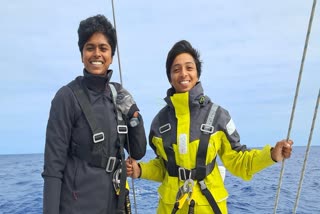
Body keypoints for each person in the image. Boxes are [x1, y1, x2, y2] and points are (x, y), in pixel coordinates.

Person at [126, 40, 293, 214]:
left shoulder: (218, 116)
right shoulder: (159, 122)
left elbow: (239, 161)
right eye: (176, 69)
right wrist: (140, 170)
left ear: (197, 73)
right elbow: (164, 168)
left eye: (189, 68)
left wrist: (271, 155)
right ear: (170, 76)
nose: (183, 74)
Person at [42, 14, 147, 214]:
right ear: (82, 53)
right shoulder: (66, 97)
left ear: (111, 55)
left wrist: (134, 115)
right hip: (78, 205)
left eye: (103, 48)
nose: (96, 54)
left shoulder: (119, 96)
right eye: (90, 47)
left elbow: (138, 151)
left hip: (115, 203)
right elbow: (53, 167)